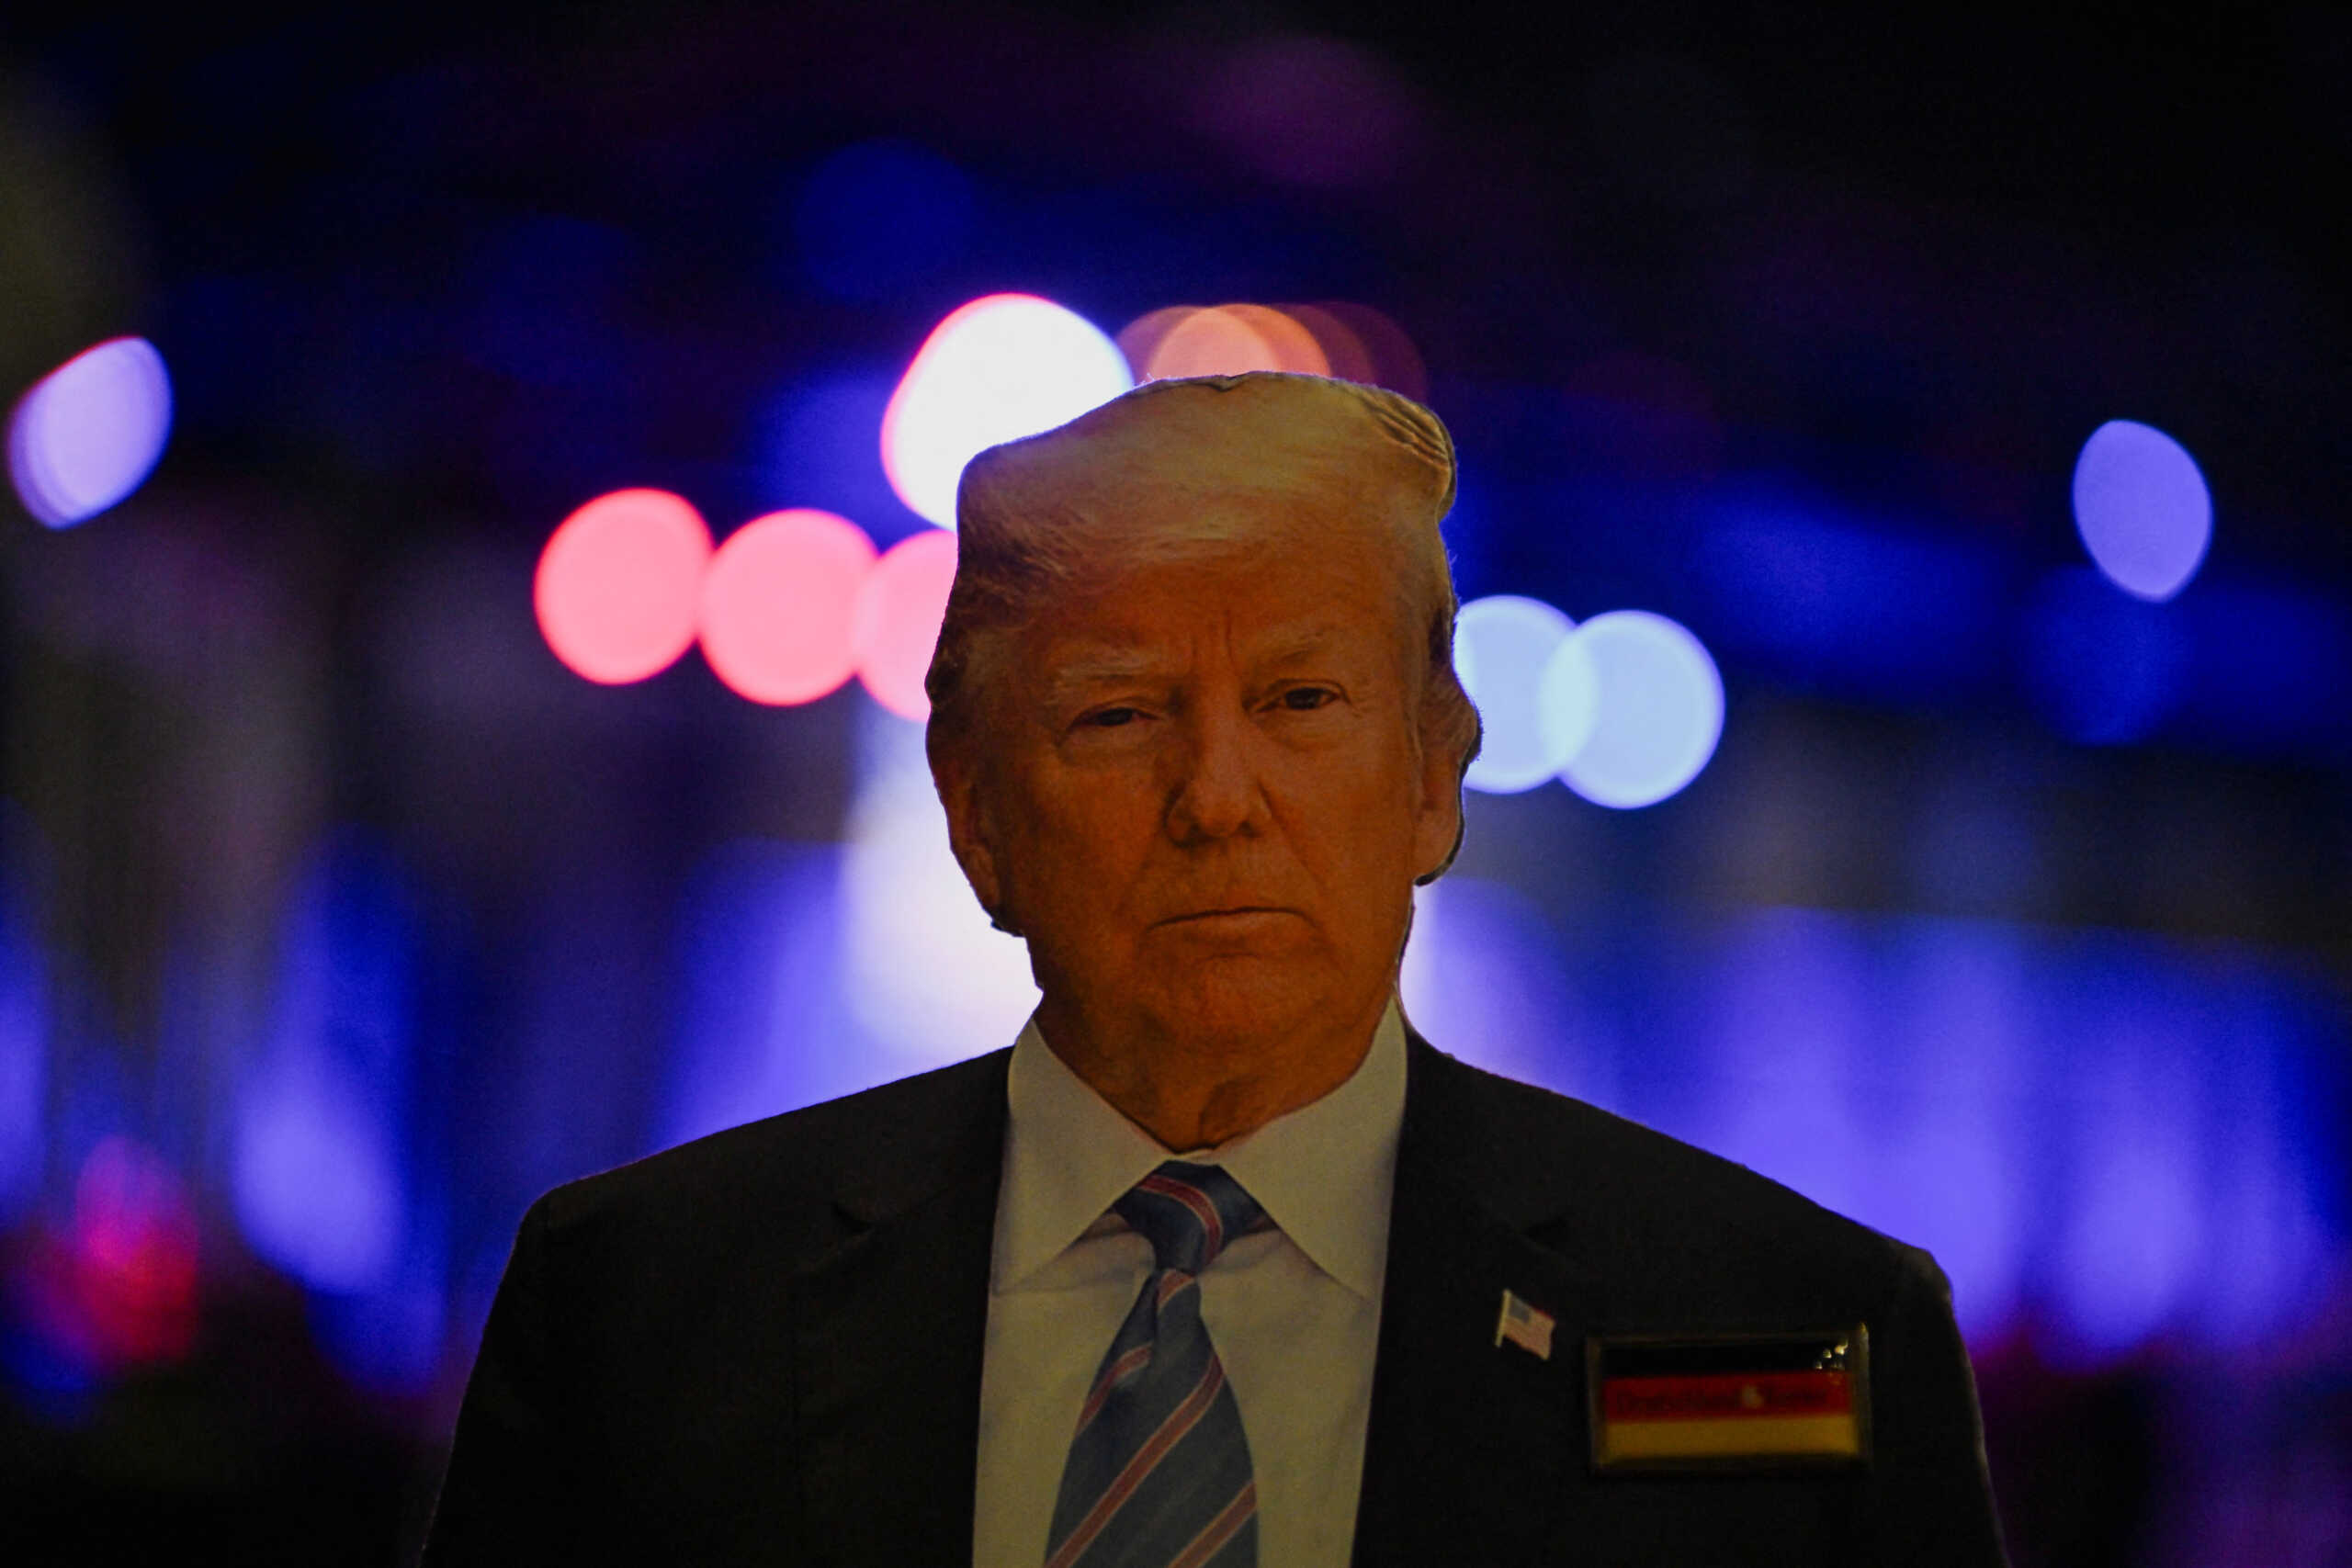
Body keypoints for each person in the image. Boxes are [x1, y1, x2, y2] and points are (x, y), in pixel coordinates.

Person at [423, 373, 2008, 1566]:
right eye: (1116, 715)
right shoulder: (639, 1310)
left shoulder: (1794, 1328)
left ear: (1435, 776)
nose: (1217, 799)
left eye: (1303, 701)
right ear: (976, 812)